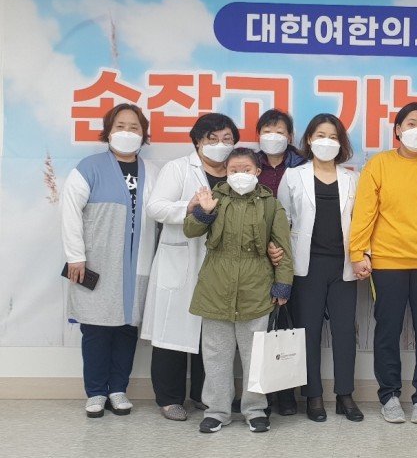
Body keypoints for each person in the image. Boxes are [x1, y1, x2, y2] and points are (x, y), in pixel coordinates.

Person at [349, 102, 417, 425]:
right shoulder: (379, 164)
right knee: (388, 331)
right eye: (411, 124)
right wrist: (358, 253)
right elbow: (365, 213)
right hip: (388, 261)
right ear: (397, 129)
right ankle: (389, 395)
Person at [184, 147, 293, 434]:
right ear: (226, 172)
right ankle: (217, 411)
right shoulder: (214, 198)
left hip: (256, 288)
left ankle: (255, 410)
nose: (240, 175)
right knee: (216, 356)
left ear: (257, 171)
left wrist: (283, 285)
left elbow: (283, 247)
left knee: (255, 355)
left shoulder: (271, 205)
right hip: (215, 287)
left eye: (246, 169)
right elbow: (190, 230)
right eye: (234, 170)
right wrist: (204, 212)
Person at [61, 103, 157, 418]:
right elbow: (70, 212)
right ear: (108, 131)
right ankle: (96, 392)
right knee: (96, 329)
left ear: (143, 134)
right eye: (120, 126)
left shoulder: (152, 171)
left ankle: (118, 389)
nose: (127, 132)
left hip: (138, 264)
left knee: (127, 328)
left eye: (134, 127)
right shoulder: (89, 167)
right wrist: (76, 256)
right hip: (97, 262)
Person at [141, 113, 239, 421]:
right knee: (172, 333)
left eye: (227, 139)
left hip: (220, 265)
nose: (220, 144)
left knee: (212, 335)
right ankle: (169, 398)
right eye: (212, 138)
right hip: (181, 260)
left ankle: (203, 395)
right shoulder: (178, 169)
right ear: (197, 141)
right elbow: (155, 207)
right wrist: (189, 207)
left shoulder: (236, 172)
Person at [277, 113, 363, 422]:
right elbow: (283, 221)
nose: (327, 141)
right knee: (308, 332)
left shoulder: (353, 178)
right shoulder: (293, 176)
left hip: (343, 266)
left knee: (344, 332)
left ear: (341, 143)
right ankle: (313, 395)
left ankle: (345, 395)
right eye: (321, 135)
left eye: (333, 137)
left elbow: (361, 222)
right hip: (307, 266)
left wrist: (363, 255)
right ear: (310, 140)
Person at [255, 108, 306, 415]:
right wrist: (265, 244)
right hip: (255, 254)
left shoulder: (303, 165)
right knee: (258, 326)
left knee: (287, 323)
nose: (273, 136)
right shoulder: (249, 164)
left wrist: (281, 245)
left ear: (290, 136)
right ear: (258, 134)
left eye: (279, 131)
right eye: (267, 130)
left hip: (292, 252)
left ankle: (286, 394)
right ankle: (260, 395)